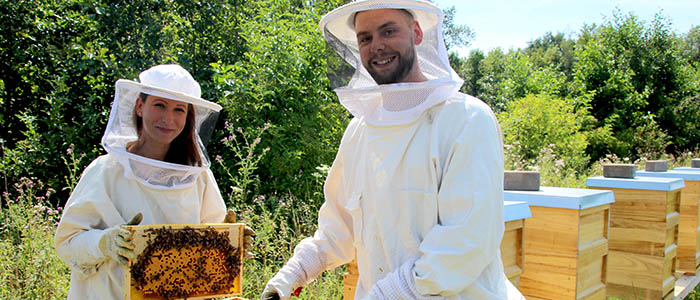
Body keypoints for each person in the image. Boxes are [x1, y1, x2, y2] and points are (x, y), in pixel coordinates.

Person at [261, 0, 525, 299]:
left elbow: (466, 241)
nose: (377, 46)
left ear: (416, 33)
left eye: (388, 31)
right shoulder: (359, 131)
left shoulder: (466, 119)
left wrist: (389, 293)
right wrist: (295, 272)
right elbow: (339, 227)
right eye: (366, 38)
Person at [54, 64, 253, 299]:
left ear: (188, 116)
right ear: (140, 106)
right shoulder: (106, 171)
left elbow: (208, 254)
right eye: (159, 105)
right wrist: (104, 243)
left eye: (179, 110)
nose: (168, 118)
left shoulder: (197, 177)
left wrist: (230, 242)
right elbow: (67, 244)